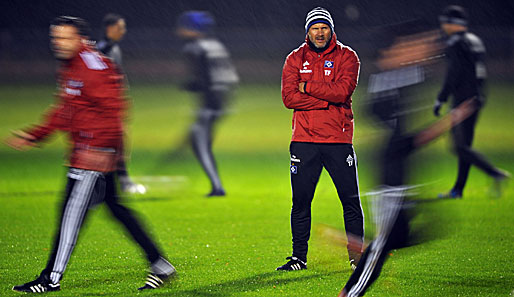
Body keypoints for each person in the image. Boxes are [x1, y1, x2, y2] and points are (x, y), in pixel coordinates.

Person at [5, 16, 175, 293]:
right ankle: (160, 264)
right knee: (117, 210)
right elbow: (65, 109)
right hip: (90, 153)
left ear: (81, 39)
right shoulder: (73, 65)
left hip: (91, 156)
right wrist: (36, 134)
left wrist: (102, 150)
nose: (58, 44)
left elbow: (115, 110)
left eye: (65, 38)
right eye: (55, 38)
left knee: (70, 215)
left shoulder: (91, 67)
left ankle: (51, 278)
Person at [338, 24, 478, 297]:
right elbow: (411, 140)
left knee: (411, 234)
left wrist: (426, 49)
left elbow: (414, 66)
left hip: (403, 179)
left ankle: (364, 243)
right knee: (380, 250)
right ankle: (349, 293)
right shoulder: (386, 95)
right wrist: (453, 118)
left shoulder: (398, 83)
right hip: (390, 182)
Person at [276, 7, 364, 272]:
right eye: (315, 28)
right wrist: (325, 100)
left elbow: (342, 92)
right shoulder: (294, 58)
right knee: (300, 202)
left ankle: (357, 258)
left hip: (338, 140)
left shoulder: (347, 56)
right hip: (304, 140)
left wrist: (308, 87)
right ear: (307, 31)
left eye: (324, 27)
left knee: (350, 200)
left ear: (331, 29)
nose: (320, 32)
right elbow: (288, 98)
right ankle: (298, 258)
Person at [434, 5, 510, 199]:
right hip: (476, 97)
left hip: (462, 100)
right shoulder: (475, 40)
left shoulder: (456, 43)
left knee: (458, 146)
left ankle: (495, 173)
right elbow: (478, 71)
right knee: (464, 145)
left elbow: (453, 74)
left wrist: (441, 98)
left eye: (445, 22)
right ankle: (458, 190)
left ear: (452, 23)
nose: (443, 26)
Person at [176, 11, 239, 197]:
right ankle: (216, 185)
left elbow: (202, 79)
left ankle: (217, 187)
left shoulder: (194, 48)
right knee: (200, 140)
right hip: (224, 99)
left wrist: (191, 86)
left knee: (199, 142)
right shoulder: (216, 45)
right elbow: (228, 77)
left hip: (211, 103)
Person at [97, 13, 145, 194]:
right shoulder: (104, 48)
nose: (123, 31)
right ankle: (123, 183)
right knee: (115, 143)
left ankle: (119, 182)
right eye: (120, 27)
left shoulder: (112, 47)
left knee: (117, 143)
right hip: (106, 104)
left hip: (112, 102)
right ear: (110, 28)